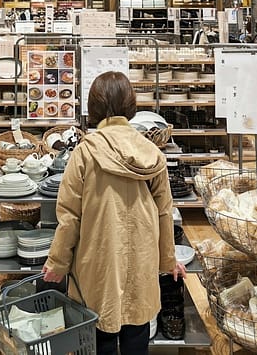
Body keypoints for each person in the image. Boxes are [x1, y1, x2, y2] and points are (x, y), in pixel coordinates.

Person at [43, 71, 185, 354]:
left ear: (93, 107)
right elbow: (164, 211)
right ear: (130, 106)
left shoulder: (85, 152)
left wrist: (57, 262)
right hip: (142, 258)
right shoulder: (152, 152)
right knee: (137, 328)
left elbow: (69, 216)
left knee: (100, 328)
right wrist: (168, 259)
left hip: (98, 259)